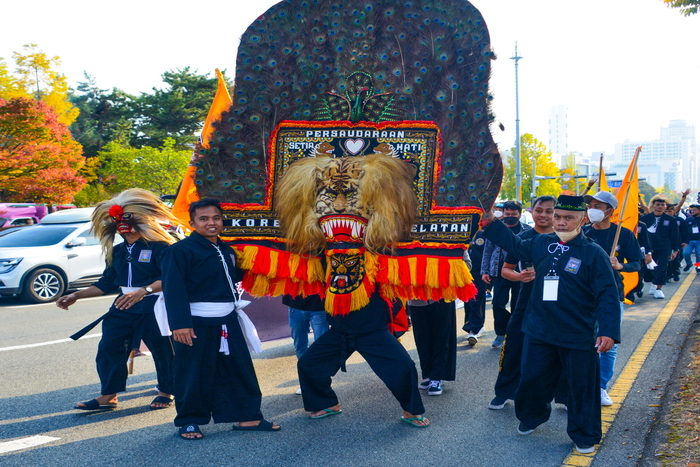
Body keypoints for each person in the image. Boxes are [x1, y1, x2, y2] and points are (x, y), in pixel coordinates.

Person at [479, 195, 621, 454]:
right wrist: (490, 221)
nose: (562, 222)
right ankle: (531, 417)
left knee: (581, 387)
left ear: (582, 219)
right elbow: (513, 244)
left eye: (569, 218)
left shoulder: (593, 253)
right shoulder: (541, 242)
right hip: (539, 328)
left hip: (577, 332)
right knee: (533, 379)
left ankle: (583, 434)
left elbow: (607, 295)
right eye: (558, 217)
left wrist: (609, 331)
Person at [162, 198, 280, 440]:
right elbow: (173, 289)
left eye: (216, 218)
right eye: (204, 219)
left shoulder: (226, 249)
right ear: (192, 222)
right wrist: (180, 324)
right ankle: (190, 421)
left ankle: (249, 416)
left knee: (239, 368)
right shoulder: (179, 251)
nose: (211, 223)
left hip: (228, 320)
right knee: (192, 372)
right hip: (195, 323)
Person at [58, 188, 179, 411]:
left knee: (163, 349)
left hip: (156, 305)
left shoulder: (162, 247)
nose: (121, 223)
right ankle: (108, 395)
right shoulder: (118, 250)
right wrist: (76, 295)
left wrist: (143, 291)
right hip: (124, 305)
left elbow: (171, 278)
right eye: (116, 219)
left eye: (126, 217)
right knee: (109, 347)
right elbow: (107, 282)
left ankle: (167, 390)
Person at [297, 290, 429, 427]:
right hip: (340, 330)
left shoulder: (379, 268)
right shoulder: (327, 268)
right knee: (308, 363)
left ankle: (411, 411)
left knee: (405, 366)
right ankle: (327, 403)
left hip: (373, 330)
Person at [488, 195, 555, 410]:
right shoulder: (524, 238)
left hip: (559, 305)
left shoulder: (567, 239)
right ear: (532, 211)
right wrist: (518, 276)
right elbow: (505, 269)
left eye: (549, 211)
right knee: (514, 345)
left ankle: (564, 395)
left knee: (561, 350)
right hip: (526, 301)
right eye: (539, 210)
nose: (543, 215)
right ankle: (504, 392)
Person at [583, 191, 644, 406]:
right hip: (583, 295)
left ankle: (601, 387)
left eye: (598, 206)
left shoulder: (624, 235)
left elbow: (638, 262)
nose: (593, 210)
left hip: (612, 295)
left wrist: (620, 266)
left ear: (610, 211)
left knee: (609, 342)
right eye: (590, 205)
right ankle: (581, 385)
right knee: (583, 341)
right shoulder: (582, 232)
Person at [480, 201, 531, 348]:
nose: (510, 216)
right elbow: (487, 251)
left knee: (517, 305)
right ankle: (501, 333)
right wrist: (484, 271)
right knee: (497, 304)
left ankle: (515, 333)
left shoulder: (526, 231)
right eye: (507, 214)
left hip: (520, 273)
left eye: (513, 214)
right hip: (499, 272)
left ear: (519, 215)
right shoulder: (496, 229)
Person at [408, 299, 457, 396]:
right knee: (422, 339)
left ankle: (437, 376)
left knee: (441, 338)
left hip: (440, 296)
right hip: (415, 298)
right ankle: (428, 374)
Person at [283, 294, 329, 394]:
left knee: (322, 348)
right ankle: (307, 383)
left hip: (318, 305)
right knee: (300, 347)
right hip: (295, 305)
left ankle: (322, 384)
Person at [640, 198, 680, 299]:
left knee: (662, 268)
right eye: (658, 204)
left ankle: (658, 289)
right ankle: (651, 283)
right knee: (647, 269)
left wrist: (676, 249)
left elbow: (675, 235)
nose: (660, 206)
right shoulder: (645, 219)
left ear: (665, 206)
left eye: (662, 205)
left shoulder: (671, 220)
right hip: (649, 248)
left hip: (664, 247)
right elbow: (641, 234)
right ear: (653, 206)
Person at [464, 232, 487, 344]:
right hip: (464, 273)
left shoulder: (484, 234)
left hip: (480, 273)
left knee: (476, 300)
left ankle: (474, 330)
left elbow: (488, 255)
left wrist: (487, 272)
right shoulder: (463, 233)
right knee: (468, 301)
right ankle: (473, 324)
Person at [683, 204, 700, 274]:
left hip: (699, 240)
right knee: (686, 253)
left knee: (699, 255)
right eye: (692, 210)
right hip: (689, 240)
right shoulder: (688, 220)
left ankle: (698, 267)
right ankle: (689, 263)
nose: (692, 211)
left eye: (695, 210)